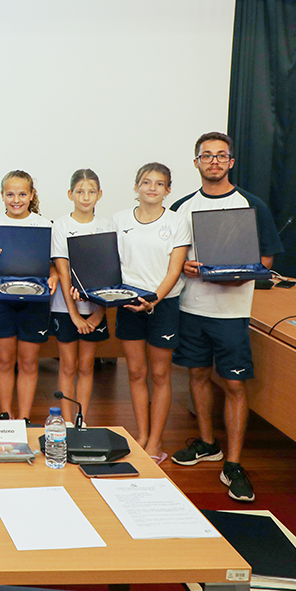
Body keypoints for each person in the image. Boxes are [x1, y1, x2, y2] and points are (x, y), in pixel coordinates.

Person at [171, 131, 282, 502]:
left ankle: (233, 463)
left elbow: (266, 259)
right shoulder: (182, 208)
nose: (214, 162)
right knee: (198, 375)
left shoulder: (252, 205)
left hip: (232, 312)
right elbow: (174, 258)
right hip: (192, 307)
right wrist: (184, 266)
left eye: (221, 156)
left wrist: (238, 273)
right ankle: (207, 442)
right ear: (197, 162)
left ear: (231, 162)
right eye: (207, 156)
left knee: (234, 385)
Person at [111, 163, 192, 464]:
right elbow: (112, 264)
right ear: (136, 187)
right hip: (128, 304)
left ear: (168, 190)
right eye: (146, 182)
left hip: (163, 304)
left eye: (159, 184)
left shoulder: (177, 222)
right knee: (135, 372)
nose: (152, 188)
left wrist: (154, 299)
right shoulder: (119, 220)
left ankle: (155, 441)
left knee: (159, 373)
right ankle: (142, 434)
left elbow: (175, 269)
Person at [0, 170, 55, 422]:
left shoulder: (44, 225)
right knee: (4, 358)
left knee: (29, 360)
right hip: (0, 296)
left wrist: (53, 276)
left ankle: (23, 418)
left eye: (22, 194)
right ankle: (6, 414)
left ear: (31, 195)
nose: (16, 199)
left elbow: (53, 264)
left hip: (35, 298)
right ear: (2, 196)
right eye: (10, 194)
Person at [50, 169, 112, 425]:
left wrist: (98, 313)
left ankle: (80, 418)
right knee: (68, 365)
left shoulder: (107, 226)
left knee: (87, 366)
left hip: (95, 309)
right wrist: (74, 314)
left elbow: (110, 274)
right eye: (79, 191)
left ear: (99, 195)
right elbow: (63, 272)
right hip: (66, 310)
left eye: (91, 191)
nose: (85, 197)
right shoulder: (61, 225)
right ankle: (65, 422)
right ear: (70, 194)